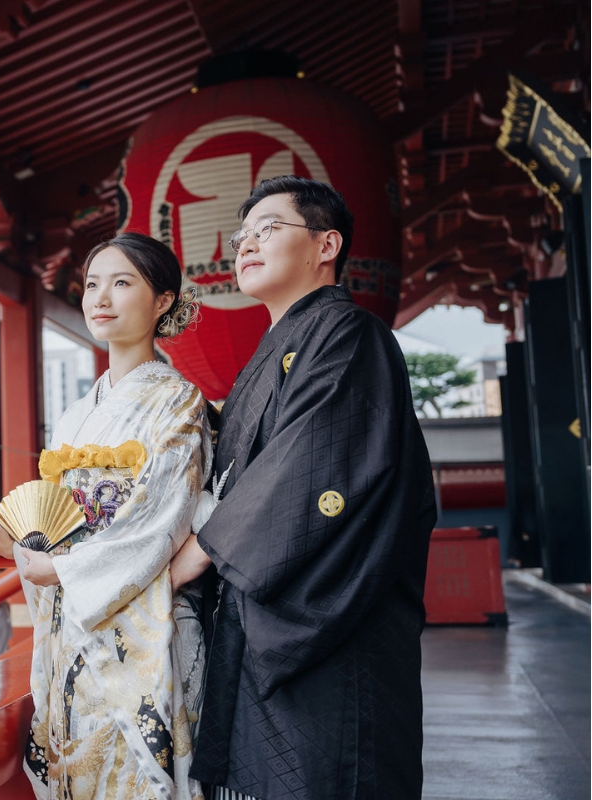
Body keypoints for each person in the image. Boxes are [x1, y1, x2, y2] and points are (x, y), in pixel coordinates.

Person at [170, 176, 436, 800]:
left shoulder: (349, 334)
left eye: (269, 229)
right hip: (258, 613)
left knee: (331, 770)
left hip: (326, 616)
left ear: (326, 245)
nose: (247, 245)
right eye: (242, 236)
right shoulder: (273, 351)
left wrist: (198, 553)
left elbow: (306, 466)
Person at [0, 232, 214, 800]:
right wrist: (18, 544)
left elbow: (161, 517)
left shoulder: (177, 401)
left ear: (162, 302)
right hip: (72, 622)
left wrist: (62, 570)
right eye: (93, 283)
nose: (100, 297)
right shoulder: (78, 411)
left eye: (122, 283)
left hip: (140, 617)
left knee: (135, 773)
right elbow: (54, 519)